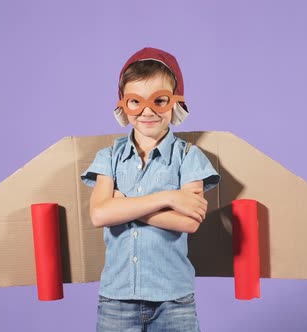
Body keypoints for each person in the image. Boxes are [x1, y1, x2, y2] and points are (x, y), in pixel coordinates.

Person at [81, 47, 220, 332]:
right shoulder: (108, 158)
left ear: (175, 103)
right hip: (116, 299)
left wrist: (123, 206)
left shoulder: (189, 157)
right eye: (136, 102)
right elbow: (98, 214)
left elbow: (189, 221)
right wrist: (167, 197)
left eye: (159, 100)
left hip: (173, 299)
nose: (147, 111)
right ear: (123, 105)